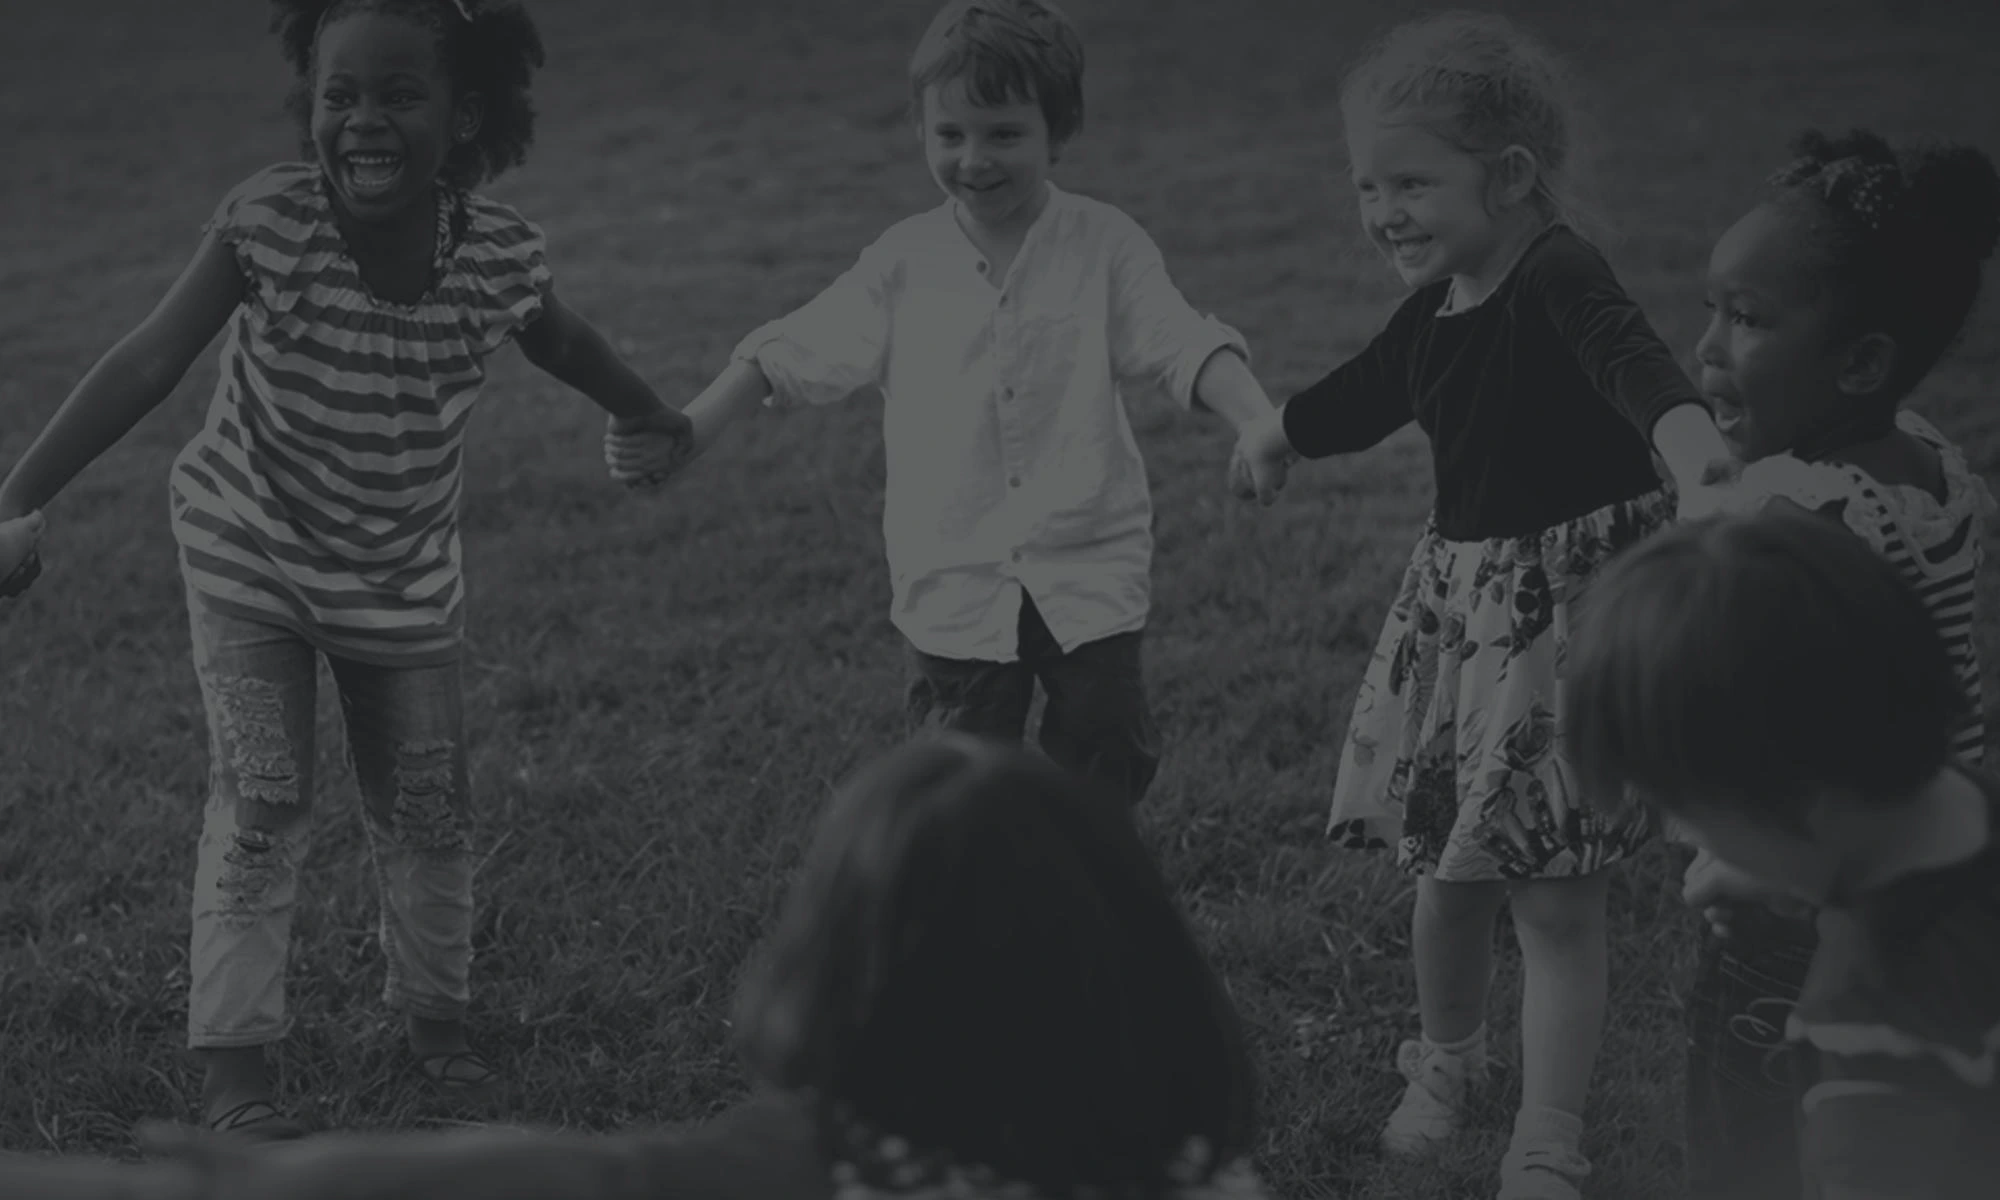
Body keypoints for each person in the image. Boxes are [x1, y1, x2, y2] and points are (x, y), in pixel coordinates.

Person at [0, 0, 692, 1140]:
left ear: (462, 115)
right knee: (264, 797)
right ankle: (236, 1072)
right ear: (309, 106)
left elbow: (566, 342)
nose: (364, 120)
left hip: (402, 580)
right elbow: (147, 360)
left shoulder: (497, 255)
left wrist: (648, 411)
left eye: (399, 95)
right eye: (340, 95)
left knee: (428, 809)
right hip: (252, 550)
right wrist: (17, 496)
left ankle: (437, 1029)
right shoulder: (270, 221)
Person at [1228, 12, 1737, 1197]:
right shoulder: (1436, 307)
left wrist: (1694, 456)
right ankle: (1446, 1062)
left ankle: (1548, 1131)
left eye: (1410, 183)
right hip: (1462, 627)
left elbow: (1636, 367)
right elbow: (1364, 392)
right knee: (1447, 879)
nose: (1381, 212)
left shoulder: (1556, 273)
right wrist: (1273, 433)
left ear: (1507, 177)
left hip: (1562, 630)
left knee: (1552, 897)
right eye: (1367, 187)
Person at [0, 736, 1275, 1200]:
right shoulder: (1203, 1173)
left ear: (848, 972)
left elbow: (556, 1177)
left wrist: (248, 1183)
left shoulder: (827, 1167)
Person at [606, 0, 1289, 810]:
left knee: (1108, 744)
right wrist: (694, 427)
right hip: (955, 573)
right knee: (957, 772)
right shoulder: (904, 260)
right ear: (920, 131)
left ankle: (1085, 867)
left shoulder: (1104, 244)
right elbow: (792, 348)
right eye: (951, 134)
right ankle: (973, 877)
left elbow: (1180, 340)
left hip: (1086, 561)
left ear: (1059, 132)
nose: (974, 159)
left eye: (1004, 134)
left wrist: (1256, 419)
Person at [1670, 127, 2000, 1198]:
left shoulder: (1790, 513)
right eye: (1712, 308)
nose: (1705, 349)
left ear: (1858, 363)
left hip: (1793, 892)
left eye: (1747, 319)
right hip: (1928, 855)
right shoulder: (1927, 459)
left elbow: (1775, 719)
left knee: (1749, 1142)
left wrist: (1751, 860)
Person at [1566, 505, 2000, 1199]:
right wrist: (1810, 890)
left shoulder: (1869, 1048)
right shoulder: (1970, 804)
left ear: (1797, 803)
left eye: (1687, 813)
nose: (1688, 841)